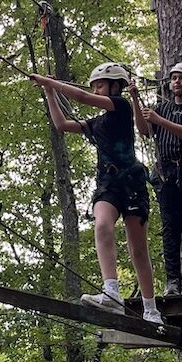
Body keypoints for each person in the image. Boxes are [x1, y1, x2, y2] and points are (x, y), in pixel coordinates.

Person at [30, 63, 164, 324]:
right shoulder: (97, 123)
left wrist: (51, 82)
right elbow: (62, 124)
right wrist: (49, 92)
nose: (95, 91)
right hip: (108, 183)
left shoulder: (122, 107)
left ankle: (151, 309)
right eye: (94, 87)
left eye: (100, 85)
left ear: (115, 86)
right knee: (102, 225)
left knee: (138, 249)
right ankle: (111, 292)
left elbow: (81, 97)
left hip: (132, 183)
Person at [130, 62, 182, 296]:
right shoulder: (162, 109)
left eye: (181, 78)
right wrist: (135, 100)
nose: (176, 82)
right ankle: (172, 281)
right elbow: (145, 131)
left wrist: (159, 120)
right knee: (170, 228)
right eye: (174, 78)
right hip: (167, 174)